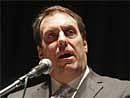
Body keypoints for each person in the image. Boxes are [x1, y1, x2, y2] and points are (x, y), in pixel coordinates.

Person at [7, 5, 130, 98]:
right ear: (40, 52)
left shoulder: (123, 92)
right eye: (51, 36)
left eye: (69, 32)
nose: (62, 40)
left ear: (84, 44)